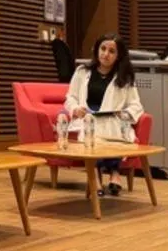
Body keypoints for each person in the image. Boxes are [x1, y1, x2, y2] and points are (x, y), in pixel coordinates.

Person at [62, 33, 145, 197]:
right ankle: (95, 178)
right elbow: (70, 97)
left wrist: (125, 114)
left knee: (115, 136)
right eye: (103, 49)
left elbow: (136, 104)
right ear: (97, 50)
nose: (106, 54)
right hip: (87, 119)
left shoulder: (125, 78)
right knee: (92, 137)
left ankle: (114, 172)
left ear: (118, 55)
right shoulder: (82, 72)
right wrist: (75, 109)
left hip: (112, 120)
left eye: (112, 51)